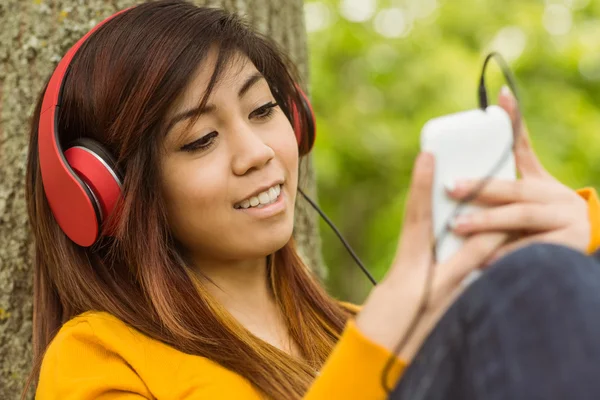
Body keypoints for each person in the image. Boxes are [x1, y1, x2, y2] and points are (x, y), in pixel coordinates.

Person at [25, 1, 600, 399]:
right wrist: (381, 341)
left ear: (296, 118)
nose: (256, 152)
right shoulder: (99, 358)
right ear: (108, 195)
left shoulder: (364, 328)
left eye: (263, 110)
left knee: (538, 274)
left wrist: (587, 242)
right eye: (199, 139)